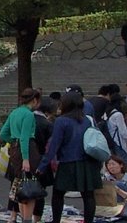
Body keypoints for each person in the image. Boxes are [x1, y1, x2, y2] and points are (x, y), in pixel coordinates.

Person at [41, 90, 101, 223]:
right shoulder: (88, 119)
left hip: (68, 162)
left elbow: (54, 145)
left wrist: (43, 165)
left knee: (58, 193)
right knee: (88, 195)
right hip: (89, 161)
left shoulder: (61, 121)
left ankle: (56, 220)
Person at [0, 89, 41, 223]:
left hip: (15, 150)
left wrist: (13, 142)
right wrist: (26, 158)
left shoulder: (15, 112)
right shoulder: (28, 115)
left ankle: (24, 218)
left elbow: (3, 134)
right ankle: (27, 219)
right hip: (27, 149)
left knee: (20, 185)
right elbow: (25, 137)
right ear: (34, 100)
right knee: (30, 186)